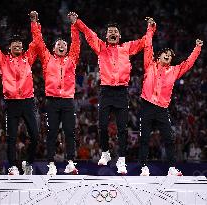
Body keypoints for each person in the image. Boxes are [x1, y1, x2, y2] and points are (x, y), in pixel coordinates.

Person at [68, 12, 155, 174]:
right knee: (101, 126)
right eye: (110, 32)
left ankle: (121, 161)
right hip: (106, 91)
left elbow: (144, 42)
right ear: (106, 36)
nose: (113, 33)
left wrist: (151, 28)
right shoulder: (100, 47)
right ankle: (106, 153)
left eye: (115, 32)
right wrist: (77, 22)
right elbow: (88, 33)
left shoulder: (126, 48)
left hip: (121, 92)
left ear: (119, 35)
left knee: (122, 128)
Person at [139, 19, 203, 176]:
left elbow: (188, 63)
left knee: (169, 138)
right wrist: (151, 28)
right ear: (159, 56)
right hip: (147, 105)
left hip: (162, 108)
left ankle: (172, 168)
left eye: (170, 55)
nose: (168, 56)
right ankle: (144, 168)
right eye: (165, 54)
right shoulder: (150, 65)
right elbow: (148, 46)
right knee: (145, 138)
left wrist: (197, 48)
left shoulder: (174, 71)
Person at [0, 13, 40, 175]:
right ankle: (13, 166)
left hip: (28, 102)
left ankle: (28, 163)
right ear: (9, 47)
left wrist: (34, 22)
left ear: (22, 48)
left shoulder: (28, 58)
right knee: (11, 138)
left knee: (36, 136)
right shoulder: (3, 60)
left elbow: (36, 43)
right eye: (14, 44)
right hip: (12, 103)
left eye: (19, 44)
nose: (17, 45)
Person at [31, 11, 80, 174]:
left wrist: (74, 24)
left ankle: (71, 162)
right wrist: (34, 23)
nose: (61, 45)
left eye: (64, 44)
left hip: (67, 100)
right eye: (58, 44)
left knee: (69, 132)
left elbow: (76, 43)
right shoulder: (47, 59)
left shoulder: (72, 59)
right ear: (53, 48)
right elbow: (38, 42)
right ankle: (51, 163)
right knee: (52, 133)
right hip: (52, 101)